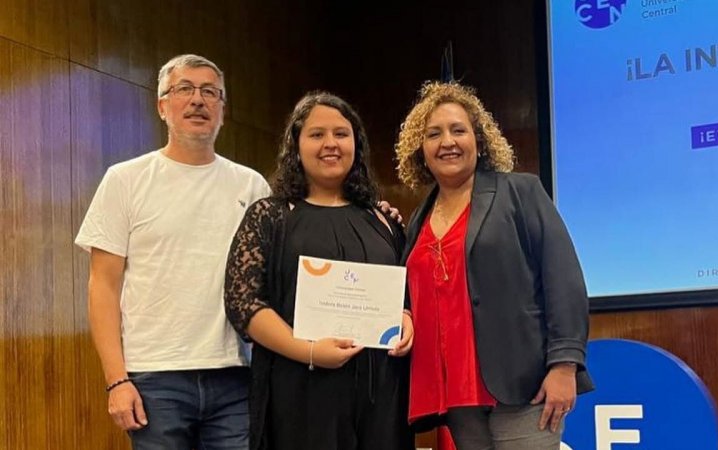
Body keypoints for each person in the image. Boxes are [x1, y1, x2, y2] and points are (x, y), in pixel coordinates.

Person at [75, 54, 271, 449]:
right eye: (184, 89)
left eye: (210, 92)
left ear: (222, 110)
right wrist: (116, 380)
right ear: (162, 106)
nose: (198, 100)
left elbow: (275, 278)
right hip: (154, 377)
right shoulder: (125, 180)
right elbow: (103, 285)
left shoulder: (251, 186)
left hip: (235, 373)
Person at [394, 81, 593, 450]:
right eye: (433, 134)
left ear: (480, 140)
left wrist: (564, 365)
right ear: (420, 150)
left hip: (524, 385)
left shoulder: (520, 192)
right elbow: (411, 294)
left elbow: (563, 279)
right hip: (456, 394)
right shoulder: (418, 218)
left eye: (458, 130)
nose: (447, 142)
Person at [224, 91, 415, 450]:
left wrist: (406, 319)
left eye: (341, 134)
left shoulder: (382, 219)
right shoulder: (269, 216)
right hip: (300, 390)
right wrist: (309, 351)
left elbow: (407, 293)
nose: (331, 143)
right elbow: (244, 304)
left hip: (381, 395)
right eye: (316, 134)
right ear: (296, 146)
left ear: (356, 144)